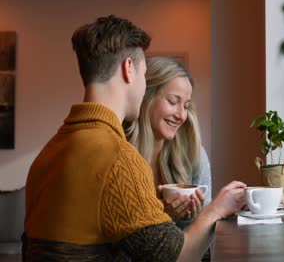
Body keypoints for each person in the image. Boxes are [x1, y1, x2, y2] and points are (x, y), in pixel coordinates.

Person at [22, 15, 246, 261]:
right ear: (129, 68)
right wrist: (215, 210)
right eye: (144, 73)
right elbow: (176, 258)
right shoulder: (120, 160)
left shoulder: (46, 156)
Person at [124, 57, 211, 229]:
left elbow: (206, 229)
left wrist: (196, 216)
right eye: (172, 101)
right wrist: (163, 215)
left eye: (185, 106)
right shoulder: (119, 154)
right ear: (145, 97)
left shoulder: (193, 153)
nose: (181, 115)